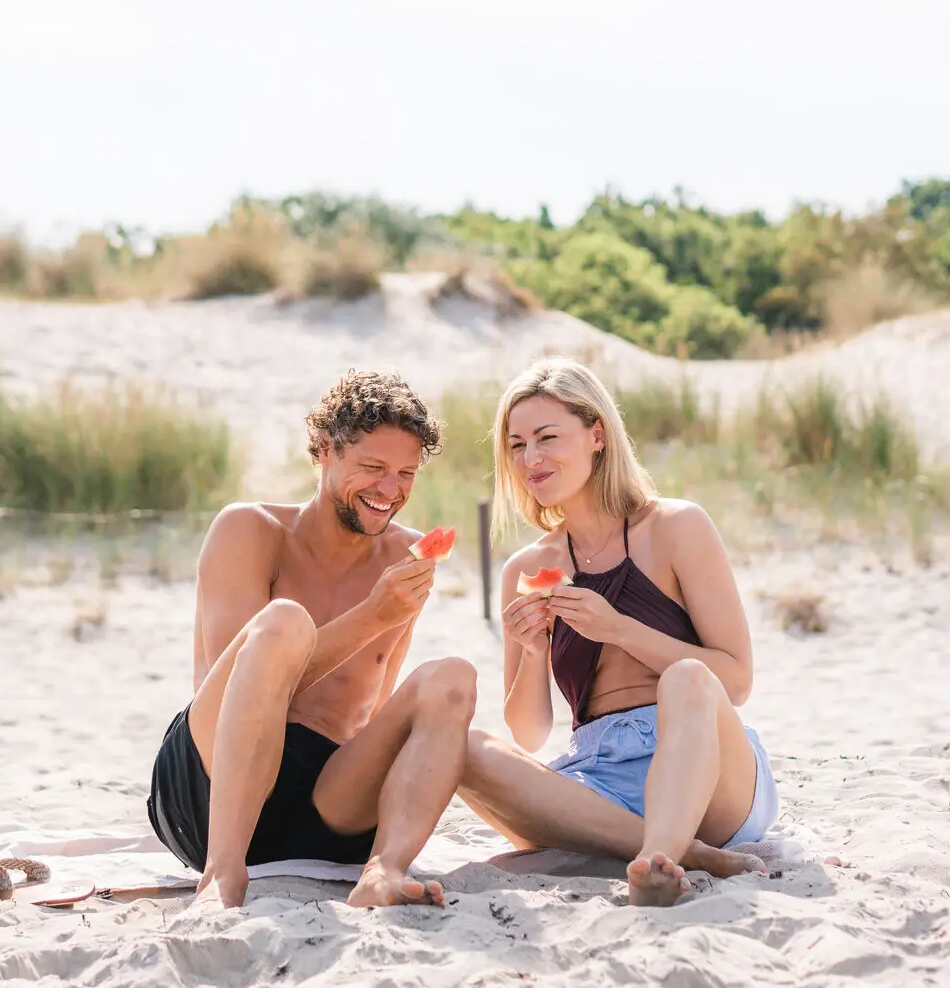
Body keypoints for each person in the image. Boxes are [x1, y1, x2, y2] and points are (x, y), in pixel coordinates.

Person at [146, 371, 477, 909]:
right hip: (209, 794)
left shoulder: (408, 556)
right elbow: (241, 688)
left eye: (405, 473)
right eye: (372, 468)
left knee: (452, 676)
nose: (389, 491)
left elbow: (374, 700)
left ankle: (382, 871)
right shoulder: (250, 531)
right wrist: (373, 615)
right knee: (284, 623)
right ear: (324, 451)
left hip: (325, 805)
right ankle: (222, 876)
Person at [459, 358, 779, 906]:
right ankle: (669, 855)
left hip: (709, 768)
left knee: (687, 678)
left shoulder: (677, 527)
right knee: (461, 747)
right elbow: (529, 735)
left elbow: (736, 681)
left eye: (547, 437)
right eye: (516, 445)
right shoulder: (525, 568)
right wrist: (534, 651)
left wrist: (619, 629)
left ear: (597, 434)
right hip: (600, 780)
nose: (530, 459)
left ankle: (664, 850)